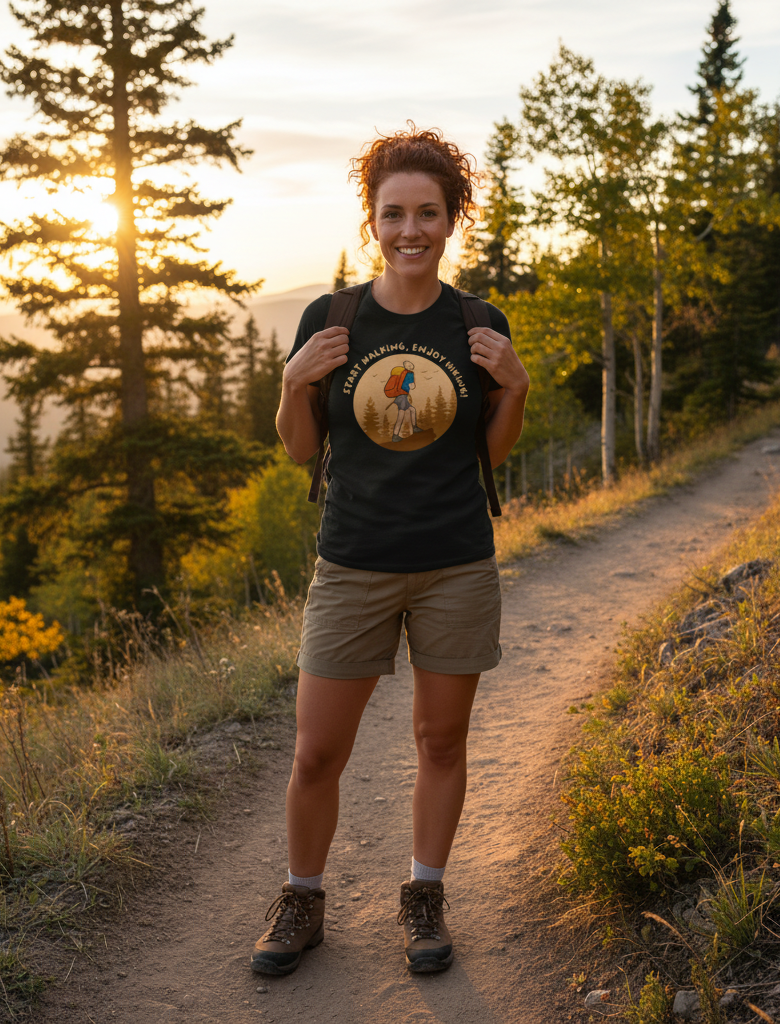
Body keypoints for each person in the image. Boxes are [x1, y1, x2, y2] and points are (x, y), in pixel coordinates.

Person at [251, 126, 529, 977]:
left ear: (453, 220)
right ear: (372, 220)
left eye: (428, 214)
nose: (411, 230)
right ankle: (302, 898)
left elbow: (496, 450)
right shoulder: (333, 317)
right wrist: (293, 380)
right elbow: (301, 451)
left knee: (441, 743)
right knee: (315, 752)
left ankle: (424, 895)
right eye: (394, 213)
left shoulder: (478, 323)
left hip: (455, 561)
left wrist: (514, 384)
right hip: (352, 563)